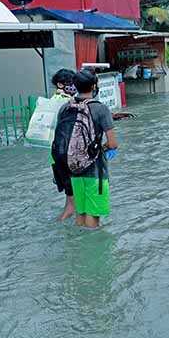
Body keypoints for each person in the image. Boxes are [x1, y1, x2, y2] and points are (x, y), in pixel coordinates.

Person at [53, 69, 118, 229]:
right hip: (95, 171)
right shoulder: (100, 109)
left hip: (73, 170)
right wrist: (98, 149)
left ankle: (78, 249)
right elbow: (113, 143)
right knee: (93, 217)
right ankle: (93, 252)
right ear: (94, 86)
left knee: (80, 214)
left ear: (75, 86)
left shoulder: (65, 108)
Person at [50, 69, 77, 221]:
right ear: (60, 84)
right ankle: (60, 228)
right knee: (71, 203)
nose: (74, 86)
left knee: (71, 198)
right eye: (71, 83)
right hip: (65, 154)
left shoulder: (52, 101)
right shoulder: (64, 102)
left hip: (56, 154)